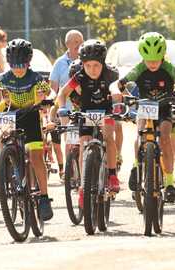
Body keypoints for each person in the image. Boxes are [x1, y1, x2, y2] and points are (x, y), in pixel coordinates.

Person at [0, 38, 54, 221]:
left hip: (31, 114)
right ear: (9, 63)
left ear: (28, 63)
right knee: (2, 138)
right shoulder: (5, 77)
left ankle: (44, 197)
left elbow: (49, 91)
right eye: (15, 65)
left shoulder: (34, 77)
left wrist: (47, 98)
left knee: (36, 156)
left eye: (22, 65)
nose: (18, 69)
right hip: (12, 113)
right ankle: (9, 163)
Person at [116, 32, 175, 203]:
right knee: (140, 132)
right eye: (149, 60)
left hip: (164, 106)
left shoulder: (168, 68)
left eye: (156, 60)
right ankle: (136, 166)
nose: (152, 64)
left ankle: (169, 184)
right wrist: (126, 96)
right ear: (143, 57)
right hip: (145, 106)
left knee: (166, 138)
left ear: (162, 56)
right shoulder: (139, 68)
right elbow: (120, 84)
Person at [57, 39, 120, 209]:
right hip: (86, 111)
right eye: (88, 66)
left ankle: (112, 174)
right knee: (84, 142)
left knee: (108, 136)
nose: (92, 70)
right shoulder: (79, 76)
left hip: (106, 110)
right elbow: (63, 94)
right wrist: (62, 108)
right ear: (83, 64)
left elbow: (116, 90)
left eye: (96, 66)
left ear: (102, 64)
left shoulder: (110, 74)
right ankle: (84, 187)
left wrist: (118, 103)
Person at [49, 30, 84, 178]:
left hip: (83, 106)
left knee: (84, 139)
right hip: (65, 106)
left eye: (80, 41)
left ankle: (84, 172)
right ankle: (71, 172)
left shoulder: (87, 61)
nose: (77, 45)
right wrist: (54, 107)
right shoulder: (60, 63)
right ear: (67, 44)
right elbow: (53, 88)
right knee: (69, 140)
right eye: (74, 42)